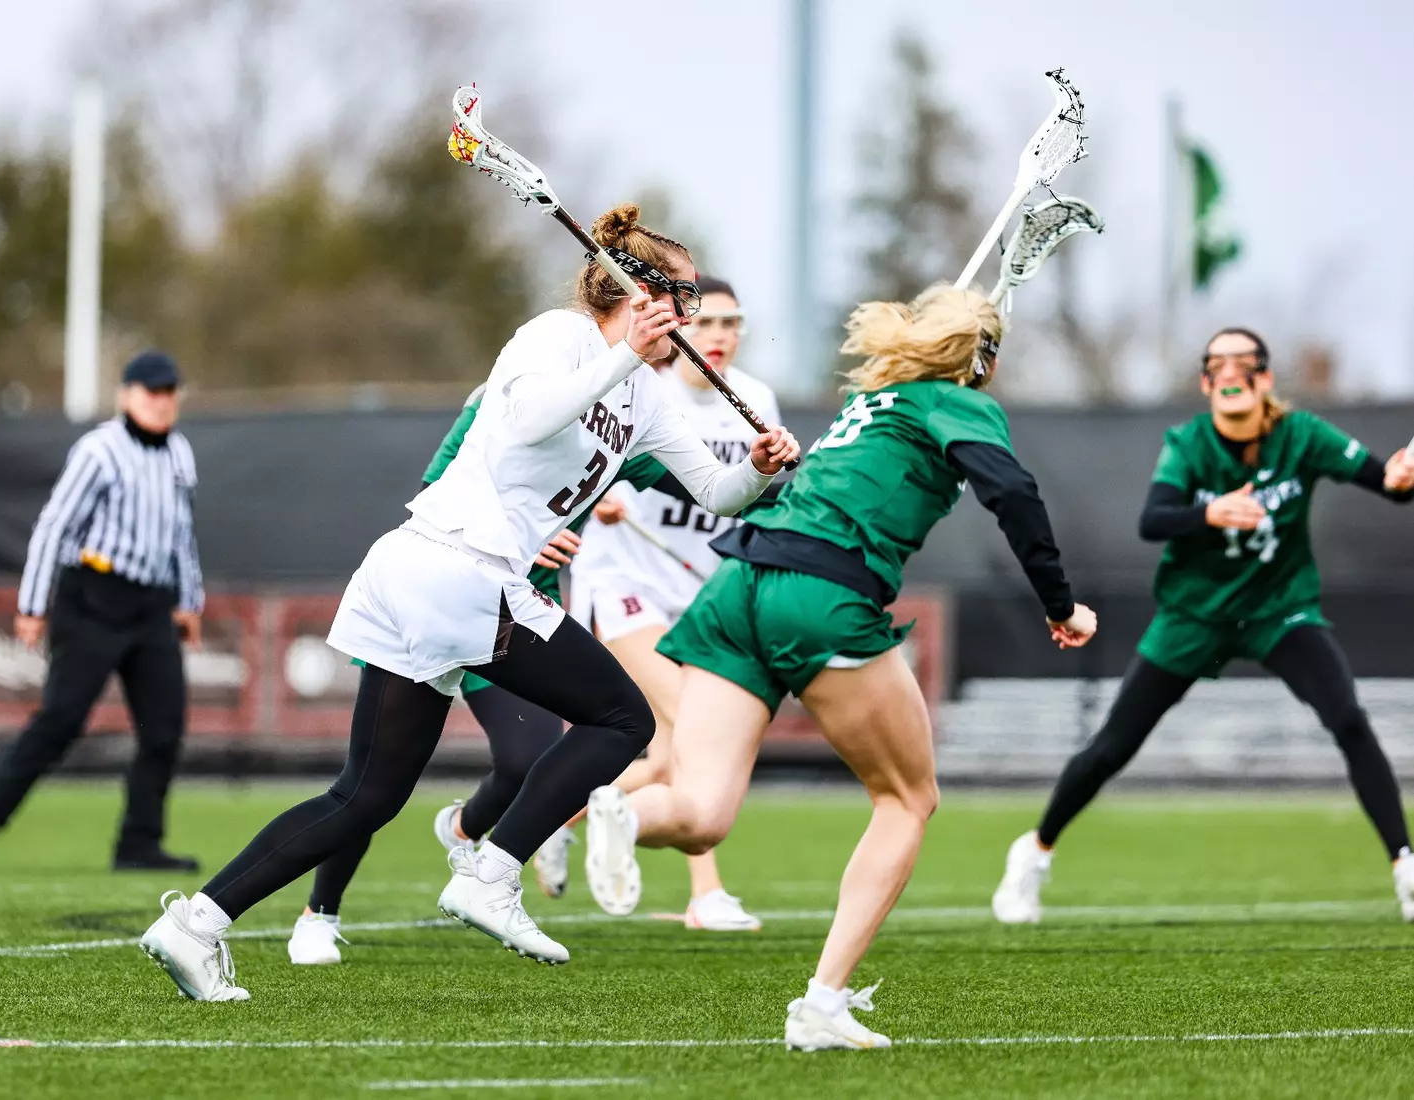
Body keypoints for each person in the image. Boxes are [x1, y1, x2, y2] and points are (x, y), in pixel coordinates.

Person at [137, 202, 801, 1001]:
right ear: (641, 295)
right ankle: (491, 873)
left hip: (454, 581)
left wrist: (759, 467)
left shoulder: (647, 399)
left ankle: (196, 923)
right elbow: (529, 418)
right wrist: (625, 350)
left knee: (366, 795)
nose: (692, 321)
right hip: (452, 564)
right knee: (623, 719)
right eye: (684, 300)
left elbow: (717, 492)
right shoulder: (556, 336)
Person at [584, 284, 1097, 1050]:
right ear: (980, 359)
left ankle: (623, 812)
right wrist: (1060, 604)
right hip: (820, 592)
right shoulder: (956, 403)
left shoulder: (870, 403)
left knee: (700, 815)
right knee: (907, 799)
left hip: (736, 586)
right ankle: (821, 1002)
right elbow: (1012, 492)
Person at [992, 327, 1414, 925]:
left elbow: (1388, 483)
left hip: (1278, 610)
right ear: (1205, 382)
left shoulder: (1301, 435)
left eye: (1245, 362)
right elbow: (1153, 520)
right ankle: (1033, 853)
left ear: (1266, 378)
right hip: (1195, 615)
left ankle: (1405, 866)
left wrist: (1400, 478)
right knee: (1112, 746)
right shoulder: (1189, 444)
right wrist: (1211, 511)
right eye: (1219, 363)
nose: (1232, 372)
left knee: (1347, 718)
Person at [287, 387, 672, 965]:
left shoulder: (631, 412)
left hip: (517, 619)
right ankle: (319, 913)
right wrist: (532, 538)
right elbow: (434, 498)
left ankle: (466, 832)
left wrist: (773, 476)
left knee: (528, 758)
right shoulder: (513, 389)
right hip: (444, 597)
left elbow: (701, 482)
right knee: (371, 785)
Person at [571, 276, 777, 931]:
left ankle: (542, 820)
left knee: (665, 759)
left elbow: (755, 494)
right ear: (681, 326)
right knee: (696, 727)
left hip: (700, 596)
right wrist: (597, 499)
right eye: (706, 322)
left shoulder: (755, 400)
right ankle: (705, 894)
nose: (719, 336)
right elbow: (578, 462)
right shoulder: (644, 390)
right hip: (625, 582)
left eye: (731, 323)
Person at [0, 351, 205, 873]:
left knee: (164, 728)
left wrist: (189, 601)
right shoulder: (99, 451)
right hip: (93, 597)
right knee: (60, 722)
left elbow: (181, 534)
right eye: (151, 392)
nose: (161, 402)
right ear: (126, 396)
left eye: (169, 393)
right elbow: (54, 526)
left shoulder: (179, 453)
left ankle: (138, 843)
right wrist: (31, 605)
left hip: (151, 604)